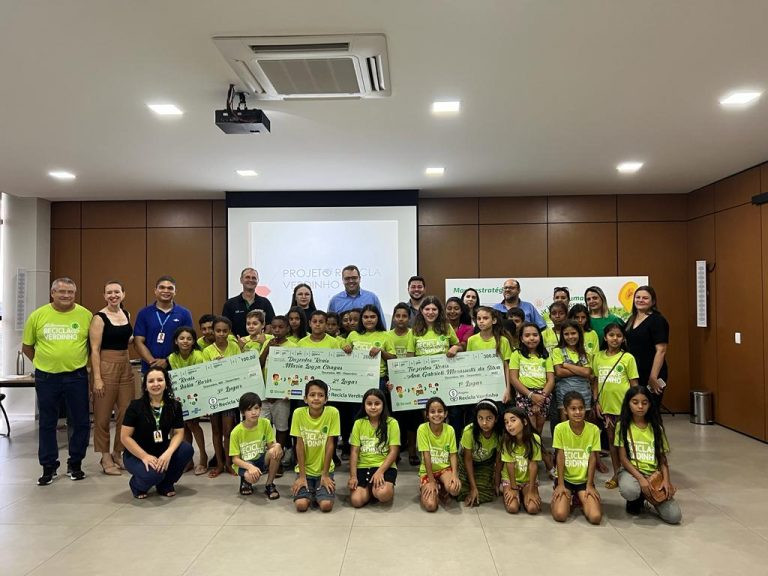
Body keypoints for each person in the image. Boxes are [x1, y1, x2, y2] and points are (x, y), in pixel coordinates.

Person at [23, 277, 93, 485]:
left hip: (76, 376)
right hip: (46, 378)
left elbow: (93, 346)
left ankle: (76, 464)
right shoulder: (38, 316)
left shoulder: (85, 315)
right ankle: (48, 466)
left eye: (70, 292)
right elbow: (27, 346)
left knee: (80, 421)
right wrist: (44, 362)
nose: (66, 295)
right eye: (62, 291)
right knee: (47, 422)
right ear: (52, 293)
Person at [120, 367, 193, 499]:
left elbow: (178, 433)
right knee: (154, 474)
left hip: (162, 449)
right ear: (145, 386)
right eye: (151, 381)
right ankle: (136, 485)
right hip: (136, 454)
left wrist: (168, 454)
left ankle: (165, 484)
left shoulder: (174, 406)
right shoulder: (135, 406)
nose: (156, 384)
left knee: (186, 449)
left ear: (166, 384)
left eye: (160, 380)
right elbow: (125, 437)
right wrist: (144, 456)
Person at [616, 386, 682, 523]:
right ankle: (637, 498)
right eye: (635, 402)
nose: (640, 406)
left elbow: (662, 459)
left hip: (653, 474)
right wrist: (640, 478)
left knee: (674, 517)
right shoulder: (622, 426)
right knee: (630, 490)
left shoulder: (656, 427)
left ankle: (649, 498)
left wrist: (666, 480)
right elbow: (623, 458)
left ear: (650, 405)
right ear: (628, 404)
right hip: (632, 472)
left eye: (644, 403)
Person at [89, 280, 134, 476]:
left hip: (126, 365)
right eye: (109, 292)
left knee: (126, 412)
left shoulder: (127, 314)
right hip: (106, 366)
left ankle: (118, 452)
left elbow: (127, 340)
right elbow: (94, 349)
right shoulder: (99, 318)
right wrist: (97, 378)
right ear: (104, 295)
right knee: (103, 415)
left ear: (123, 294)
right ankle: (105, 456)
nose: (113, 295)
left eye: (117, 292)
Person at [592, 323, 639, 489]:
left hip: (624, 409)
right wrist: (596, 401)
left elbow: (634, 385)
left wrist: (634, 407)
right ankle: (617, 474)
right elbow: (596, 382)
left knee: (626, 442)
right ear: (605, 337)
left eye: (619, 336)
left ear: (623, 338)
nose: (615, 339)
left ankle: (633, 473)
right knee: (612, 442)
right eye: (611, 335)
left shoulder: (628, 358)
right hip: (607, 409)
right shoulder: (597, 357)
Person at [410, 297, 464, 442]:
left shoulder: (446, 328)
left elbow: (460, 346)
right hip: (424, 381)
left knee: (452, 413)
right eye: (427, 309)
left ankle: (454, 445)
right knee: (427, 415)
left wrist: (455, 347)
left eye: (434, 309)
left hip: (447, 380)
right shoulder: (414, 331)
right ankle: (428, 447)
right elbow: (409, 359)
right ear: (421, 311)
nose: (430, 312)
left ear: (439, 311)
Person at [551, 391, 602, 524]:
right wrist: (560, 484)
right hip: (566, 479)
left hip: (584, 481)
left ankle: (578, 498)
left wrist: (590, 485)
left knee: (595, 518)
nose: (578, 412)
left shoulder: (594, 430)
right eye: (573, 409)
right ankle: (566, 498)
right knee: (560, 515)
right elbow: (560, 457)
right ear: (566, 411)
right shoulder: (560, 429)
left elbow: (592, 459)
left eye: (581, 408)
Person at [290, 380, 341, 512]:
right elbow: (299, 445)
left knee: (326, 506)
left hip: (324, 470)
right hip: (304, 471)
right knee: (301, 505)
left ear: (326, 399)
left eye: (321, 395)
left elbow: (330, 445)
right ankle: (310, 491)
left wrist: (325, 475)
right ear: (305, 399)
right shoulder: (298, 413)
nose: (316, 398)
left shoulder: (332, 413)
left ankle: (318, 491)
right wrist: (302, 476)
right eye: (312, 395)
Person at [202, 316, 242, 477]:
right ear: (213, 331)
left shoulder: (234, 347)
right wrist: (214, 366)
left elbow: (239, 367)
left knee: (228, 431)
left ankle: (229, 463)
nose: (221, 334)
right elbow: (205, 374)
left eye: (225, 331)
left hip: (229, 395)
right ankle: (218, 464)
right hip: (213, 395)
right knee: (216, 430)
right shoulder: (207, 351)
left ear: (229, 332)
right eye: (218, 331)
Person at [348, 388, 400, 508]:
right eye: (369, 404)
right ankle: (370, 489)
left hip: (384, 466)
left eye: (377, 403)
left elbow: (394, 452)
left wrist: (380, 472)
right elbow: (354, 452)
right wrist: (353, 476)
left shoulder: (392, 423)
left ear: (383, 405)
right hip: (363, 466)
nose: (373, 407)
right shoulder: (358, 423)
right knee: (356, 501)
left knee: (383, 494)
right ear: (364, 405)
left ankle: (382, 487)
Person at [167, 326, 208, 475]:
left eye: (189, 338)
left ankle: (203, 457)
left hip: (196, 395)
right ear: (176, 341)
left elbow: (198, 377)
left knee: (193, 424)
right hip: (180, 396)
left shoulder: (198, 355)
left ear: (193, 341)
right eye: (182, 338)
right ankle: (188, 460)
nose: (185, 341)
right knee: (182, 426)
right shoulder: (172, 357)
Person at [133, 275, 193, 373]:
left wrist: (167, 361)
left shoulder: (184, 314)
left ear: (175, 292)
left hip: (176, 369)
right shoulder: (144, 313)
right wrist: (152, 362)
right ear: (155, 290)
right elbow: (138, 342)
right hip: (149, 369)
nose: (166, 291)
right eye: (162, 287)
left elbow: (188, 342)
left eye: (170, 288)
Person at [230, 392, 283, 499]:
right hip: (245, 463)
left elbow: (271, 446)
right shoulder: (236, 432)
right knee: (252, 477)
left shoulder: (265, 423)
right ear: (242, 412)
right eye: (249, 410)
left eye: (256, 408)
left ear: (260, 408)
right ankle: (245, 481)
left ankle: (269, 484)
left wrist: (277, 446)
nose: (254, 412)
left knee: (277, 451)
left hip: (260, 458)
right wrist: (249, 467)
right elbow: (235, 459)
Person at [259, 315, 296, 469]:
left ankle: (277, 460)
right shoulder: (268, 343)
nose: (277, 330)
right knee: (262, 427)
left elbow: (295, 372)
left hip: (282, 396)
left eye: (281, 327)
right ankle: (263, 459)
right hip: (264, 394)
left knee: (281, 428)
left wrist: (282, 391)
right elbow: (259, 364)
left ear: (287, 328)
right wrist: (268, 349)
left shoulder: (293, 346)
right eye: (274, 327)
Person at [624, 286, 669, 411]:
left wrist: (653, 376)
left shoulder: (657, 320)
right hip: (635, 372)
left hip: (652, 372)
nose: (640, 300)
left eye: (645, 298)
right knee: (635, 410)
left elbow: (661, 350)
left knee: (649, 410)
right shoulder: (631, 320)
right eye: (638, 297)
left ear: (653, 301)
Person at [418, 397, 461, 512]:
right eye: (432, 411)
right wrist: (431, 481)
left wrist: (455, 475)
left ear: (446, 413)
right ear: (427, 414)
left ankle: (442, 487)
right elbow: (426, 456)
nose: (436, 414)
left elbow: (453, 454)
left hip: (444, 469)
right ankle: (430, 487)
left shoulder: (450, 429)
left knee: (454, 489)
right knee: (431, 506)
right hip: (428, 472)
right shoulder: (422, 429)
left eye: (440, 411)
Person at [457, 399, 501, 507]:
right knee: (457, 491)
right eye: (480, 418)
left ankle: (478, 488)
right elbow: (467, 459)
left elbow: (498, 460)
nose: (484, 423)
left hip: (485, 464)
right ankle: (472, 488)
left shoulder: (500, 434)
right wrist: (473, 487)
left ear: (496, 419)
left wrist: (496, 483)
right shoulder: (469, 431)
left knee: (487, 495)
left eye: (489, 418)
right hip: (466, 463)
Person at [499, 406, 542, 514]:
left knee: (533, 509)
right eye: (506, 422)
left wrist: (532, 490)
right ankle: (513, 491)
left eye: (513, 420)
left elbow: (533, 465)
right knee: (512, 508)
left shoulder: (534, 438)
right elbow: (509, 465)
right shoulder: (506, 440)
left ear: (524, 421)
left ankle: (525, 493)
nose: (509, 424)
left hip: (528, 480)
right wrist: (513, 488)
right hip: (511, 480)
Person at [552, 321, 593, 423]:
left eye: (573, 333)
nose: (570, 337)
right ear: (562, 335)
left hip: (584, 391)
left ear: (579, 333)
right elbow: (559, 372)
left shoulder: (586, 353)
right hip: (564, 392)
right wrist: (580, 369)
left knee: (583, 423)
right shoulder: (557, 351)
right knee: (565, 424)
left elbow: (588, 372)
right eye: (566, 334)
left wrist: (567, 365)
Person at [466, 307, 513, 394]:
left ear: (494, 320)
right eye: (478, 318)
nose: (481, 321)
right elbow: (470, 366)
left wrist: (508, 389)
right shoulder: (471, 340)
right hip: (478, 386)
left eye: (485, 318)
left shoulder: (503, 341)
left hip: (498, 386)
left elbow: (506, 367)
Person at [222, 268, 276, 338]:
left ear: (257, 281)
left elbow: (270, 326)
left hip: (260, 346)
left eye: (254, 278)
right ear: (241, 280)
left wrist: (262, 341)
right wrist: (236, 342)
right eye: (247, 277)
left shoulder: (265, 302)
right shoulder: (230, 304)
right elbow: (225, 327)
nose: (251, 280)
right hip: (237, 345)